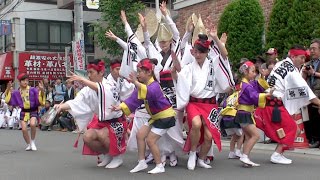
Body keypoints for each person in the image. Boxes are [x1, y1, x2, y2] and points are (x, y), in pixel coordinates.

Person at [172, 29, 234, 170]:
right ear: (193, 52)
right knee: (196, 124)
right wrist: (174, 70)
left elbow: (224, 55)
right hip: (194, 103)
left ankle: (201, 158)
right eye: (196, 51)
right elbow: (179, 79)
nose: (198, 54)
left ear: (207, 53)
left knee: (208, 136)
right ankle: (193, 153)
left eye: (202, 52)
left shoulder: (213, 64)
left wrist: (215, 38)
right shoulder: (189, 67)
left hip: (210, 104)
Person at [54, 59, 127, 169]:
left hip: (116, 122)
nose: (89, 75)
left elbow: (101, 89)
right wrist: (60, 106)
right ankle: (107, 154)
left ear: (101, 72)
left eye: (91, 72)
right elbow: (76, 102)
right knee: (87, 137)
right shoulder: (87, 89)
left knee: (102, 135)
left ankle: (117, 157)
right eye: (87, 73)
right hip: (102, 122)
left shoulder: (109, 85)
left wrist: (82, 79)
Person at [255, 45, 320, 164]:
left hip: (269, 103)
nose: (303, 61)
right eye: (300, 58)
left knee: (287, 130)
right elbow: (306, 92)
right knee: (293, 129)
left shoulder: (281, 63)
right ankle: (276, 154)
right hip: (274, 105)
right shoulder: (291, 70)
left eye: (304, 58)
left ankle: (242, 152)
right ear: (293, 56)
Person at [112, 58, 176, 174]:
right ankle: (141, 162)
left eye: (140, 71)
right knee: (140, 135)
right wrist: (120, 107)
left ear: (149, 72)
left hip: (165, 117)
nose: (138, 74)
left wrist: (136, 83)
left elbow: (150, 93)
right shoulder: (143, 86)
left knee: (150, 140)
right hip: (156, 117)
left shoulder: (154, 85)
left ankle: (159, 165)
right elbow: (134, 100)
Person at [235, 61, 271, 167]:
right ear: (246, 72)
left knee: (249, 136)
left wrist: (262, 76)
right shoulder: (246, 85)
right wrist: (267, 94)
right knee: (255, 135)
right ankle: (245, 156)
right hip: (244, 113)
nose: (254, 74)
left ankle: (245, 157)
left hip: (243, 113)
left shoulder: (247, 83)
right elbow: (254, 96)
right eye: (253, 71)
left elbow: (257, 86)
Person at [4, 73, 45, 151]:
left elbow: (40, 100)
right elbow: (8, 100)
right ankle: (29, 144)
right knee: (24, 129)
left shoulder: (33, 89)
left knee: (33, 124)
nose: (25, 82)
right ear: (20, 82)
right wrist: (8, 89)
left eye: (27, 80)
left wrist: (42, 90)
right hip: (23, 111)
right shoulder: (17, 92)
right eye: (23, 81)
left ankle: (33, 141)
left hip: (33, 110)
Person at [302, 38, 320, 148]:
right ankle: (312, 139)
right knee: (310, 118)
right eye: (310, 49)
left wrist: (314, 73)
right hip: (309, 94)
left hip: (319, 93)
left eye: (314, 49)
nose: (312, 51)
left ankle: (317, 139)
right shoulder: (308, 63)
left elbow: (316, 74)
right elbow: (301, 80)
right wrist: (304, 72)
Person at [219, 86, 244, 159]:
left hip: (226, 117)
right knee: (241, 135)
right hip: (234, 116)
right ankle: (238, 151)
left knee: (234, 135)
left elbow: (223, 105)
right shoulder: (241, 95)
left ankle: (231, 152)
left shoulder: (230, 97)